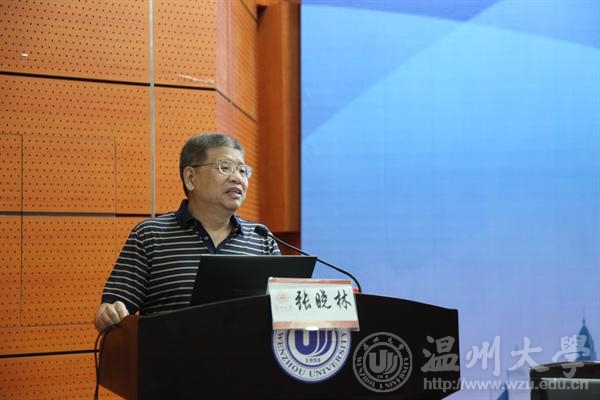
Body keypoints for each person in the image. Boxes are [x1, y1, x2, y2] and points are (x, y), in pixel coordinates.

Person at [94, 132, 280, 332]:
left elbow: (284, 309)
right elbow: (113, 307)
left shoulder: (261, 238)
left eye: (242, 170)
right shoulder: (150, 235)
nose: (237, 178)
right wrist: (108, 313)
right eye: (225, 167)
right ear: (191, 177)